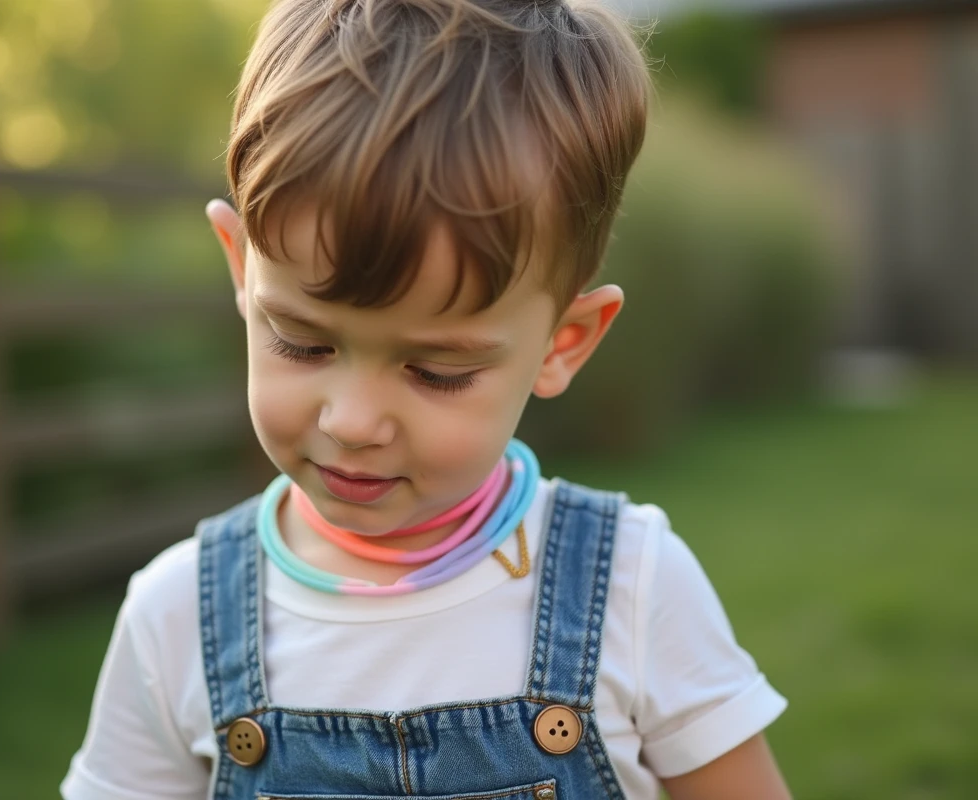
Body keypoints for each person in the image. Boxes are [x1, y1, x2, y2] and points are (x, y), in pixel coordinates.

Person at [61, 1, 791, 798]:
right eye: (303, 343)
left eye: (436, 371)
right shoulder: (177, 621)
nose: (352, 422)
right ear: (242, 272)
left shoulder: (632, 589)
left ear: (563, 342)